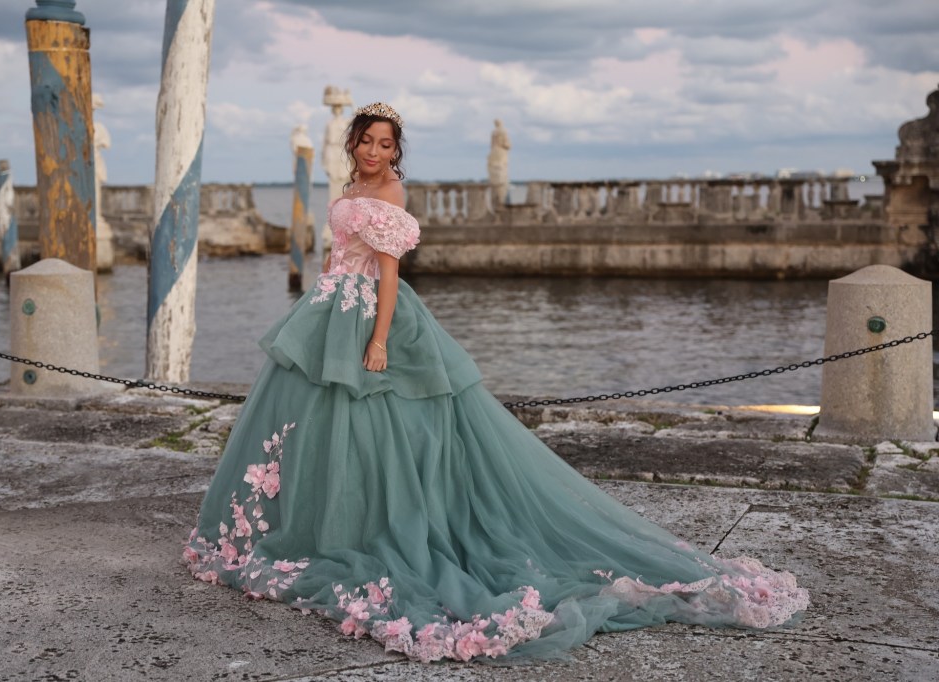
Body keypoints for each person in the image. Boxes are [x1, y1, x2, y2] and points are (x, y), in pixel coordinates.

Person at [183, 102, 809, 663]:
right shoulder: (350, 187)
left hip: (372, 315)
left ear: (397, 151)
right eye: (367, 141)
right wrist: (320, 308)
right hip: (329, 309)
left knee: (381, 425)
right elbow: (336, 255)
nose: (375, 151)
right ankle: (319, 521)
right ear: (353, 144)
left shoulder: (392, 192)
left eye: (385, 144)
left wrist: (377, 341)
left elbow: (390, 275)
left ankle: (379, 524)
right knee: (315, 421)